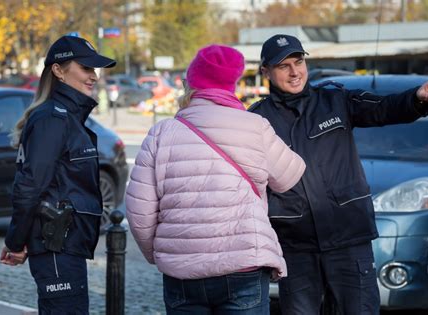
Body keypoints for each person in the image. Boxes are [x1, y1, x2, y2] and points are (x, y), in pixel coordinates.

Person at [249, 34, 428, 315]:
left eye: (299, 61)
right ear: (266, 71)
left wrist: (417, 99)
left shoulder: (335, 99)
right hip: (295, 246)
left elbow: (383, 109)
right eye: (284, 66)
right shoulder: (256, 120)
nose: (295, 72)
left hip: (348, 240)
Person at [125, 44, 306, 315]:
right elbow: (291, 175)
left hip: (183, 276)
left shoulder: (161, 133)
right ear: (231, 83)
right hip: (243, 266)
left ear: (193, 82)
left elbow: (138, 212)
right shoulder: (255, 126)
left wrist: (164, 253)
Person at [0, 35, 116, 314]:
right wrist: (16, 242)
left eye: (94, 69)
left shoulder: (66, 117)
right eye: (85, 68)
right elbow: (29, 185)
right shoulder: (52, 118)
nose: (94, 76)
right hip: (56, 243)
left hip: (66, 244)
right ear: (58, 70)